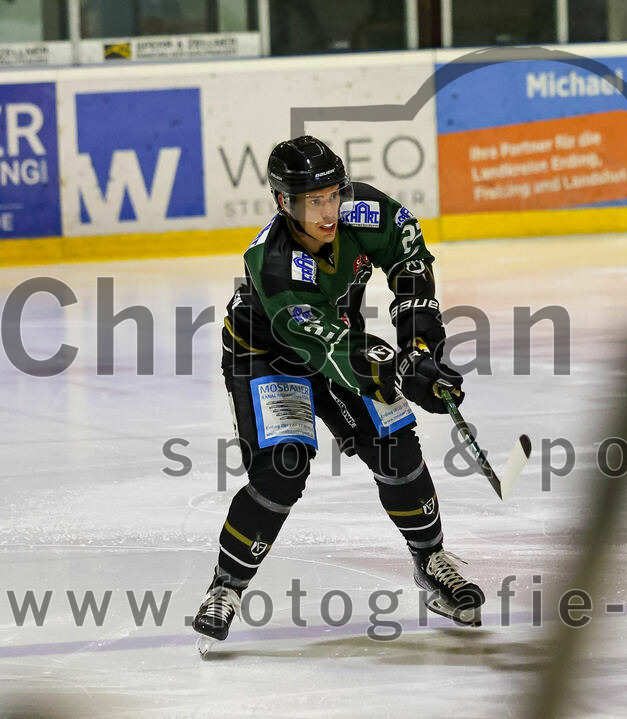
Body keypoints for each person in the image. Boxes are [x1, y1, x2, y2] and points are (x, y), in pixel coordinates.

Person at [191, 135, 483, 650]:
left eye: (332, 196)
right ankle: (226, 587)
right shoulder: (272, 261)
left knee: (397, 443)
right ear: (285, 203)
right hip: (267, 355)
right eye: (312, 201)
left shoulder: (363, 212)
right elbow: (324, 346)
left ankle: (432, 560)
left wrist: (420, 347)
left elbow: (409, 260)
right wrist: (400, 373)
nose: (328, 212)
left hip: (340, 337)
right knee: (283, 466)